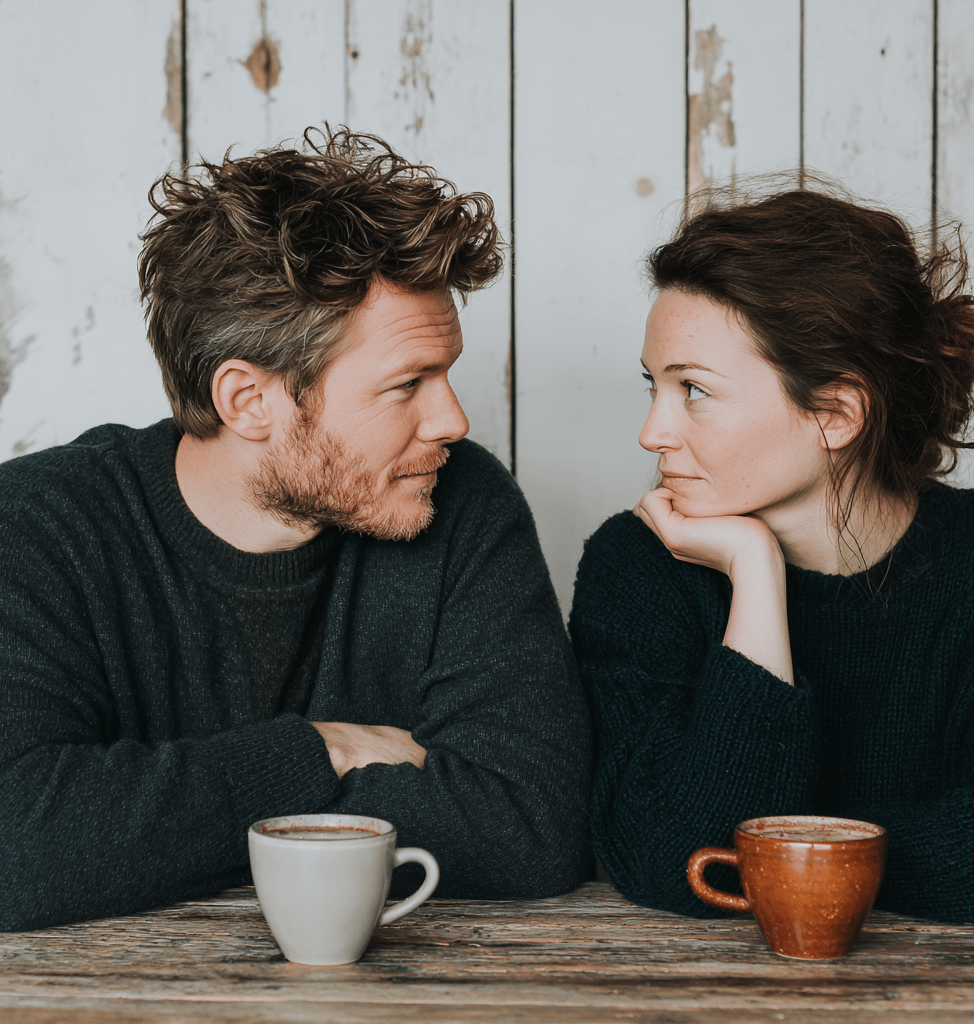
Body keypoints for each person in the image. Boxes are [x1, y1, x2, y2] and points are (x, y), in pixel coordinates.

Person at [0, 127, 591, 931]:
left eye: (446, 373)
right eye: (407, 384)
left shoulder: (461, 501)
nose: (452, 419)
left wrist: (136, 824)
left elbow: (531, 828)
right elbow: (19, 849)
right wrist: (321, 753)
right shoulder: (36, 527)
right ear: (249, 401)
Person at [570, 182, 974, 926]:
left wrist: (783, 855)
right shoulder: (638, 566)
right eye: (655, 386)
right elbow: (675, 861)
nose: (652, 433)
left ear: (836, 414)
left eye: (694, 390)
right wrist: (754, 575)